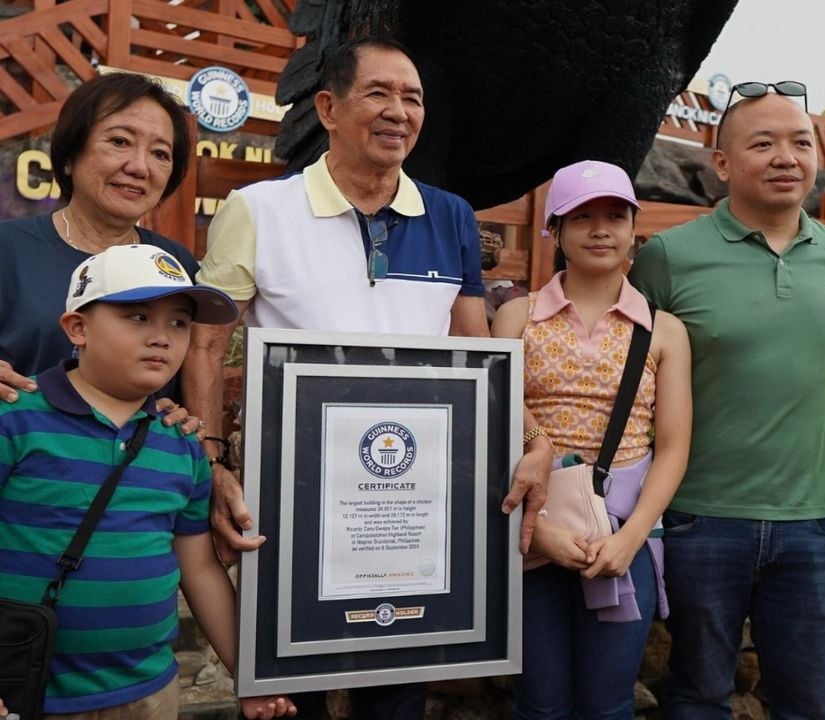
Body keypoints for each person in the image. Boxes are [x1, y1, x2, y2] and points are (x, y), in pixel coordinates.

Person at [182, 35, 551, 720]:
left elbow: (476, 350)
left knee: (399, 690)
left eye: (412, 98)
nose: (398, 112)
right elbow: (205, 349)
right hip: (295, 508)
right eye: (378, 93)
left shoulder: (451, 217)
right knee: (294, 696)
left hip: (415, 511)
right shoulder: (259, 211)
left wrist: (534, 439)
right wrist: (212, 462)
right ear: (326, 106)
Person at [629, 85, 825, 719]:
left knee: (808, 701)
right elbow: (623, 368)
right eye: (762, 143)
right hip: (698, 519)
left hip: (817, 523)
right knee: (696, 695)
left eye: (801, 143)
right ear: (721, 163)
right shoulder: (668, 257)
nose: (785, 157)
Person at [0, 245, 295, 720]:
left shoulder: (181, 443)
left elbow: (198, 569)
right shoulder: (15, 419)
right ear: (78, 328)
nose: (162, 337)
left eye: (179, 323)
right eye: (137, 316)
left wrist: (249, 675)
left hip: (152, 693)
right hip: (30, 694)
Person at [492, 160, 691, 719]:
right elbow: (493, 421)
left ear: (634, 229)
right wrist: (541, 534)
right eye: (581, 217)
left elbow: (673, 445)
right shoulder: (516, 316)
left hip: (626, 535)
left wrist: (629, 540)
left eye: (615, 215)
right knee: (540, 704)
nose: (600, 229)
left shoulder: (664, 329)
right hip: (531, 535)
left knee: (607, 705)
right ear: (554, 229)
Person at [0, 72, 199, 417]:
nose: (139, 167)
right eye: (120, 141)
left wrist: (176, 415)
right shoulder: (8, 248)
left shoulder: (176, 264)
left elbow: (178, 382)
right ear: (68, 156)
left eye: (160, 154)